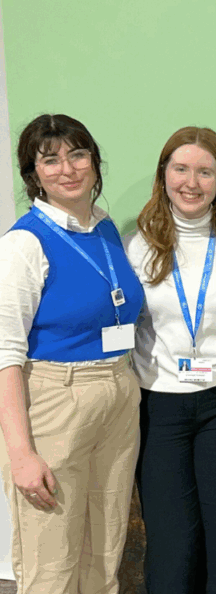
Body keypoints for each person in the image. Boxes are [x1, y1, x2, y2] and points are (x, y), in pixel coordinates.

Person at [0, 114, 144, 593]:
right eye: (51, 159)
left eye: (77, 154)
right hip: (55, 402)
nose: (67, 168)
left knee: (103, 557)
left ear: (94, 162)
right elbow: (5, 355)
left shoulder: (104, 230)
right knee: (51, 564)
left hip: (118, 394)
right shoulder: (25, 244)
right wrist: (21, 454)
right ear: (32, 174)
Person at [126, 126, 216, 594]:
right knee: (171, 546)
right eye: (181, 169)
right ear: (163, 175)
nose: (192, 182)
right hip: (159, 408)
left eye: (205, 171)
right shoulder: (138, 244)